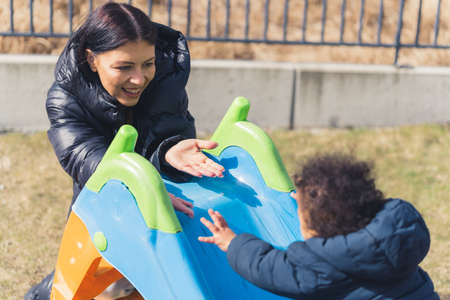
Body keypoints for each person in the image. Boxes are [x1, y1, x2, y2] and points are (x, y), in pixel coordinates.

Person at [25, 2, 224, 300]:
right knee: (105, 282)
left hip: (165, 203)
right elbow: (86, 159)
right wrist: (138, 191)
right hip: (104, 204)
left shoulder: (165, 82)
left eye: (148, 63)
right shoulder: (65, 98)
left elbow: (169, 137)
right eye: (124, 67)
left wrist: (170, 152)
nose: (139, 79)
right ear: (92, 60)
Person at [199, 153, 439, 299]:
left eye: (302, 212)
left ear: (315, 229)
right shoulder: (396, 234)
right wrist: (310, 202)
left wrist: (233, 242)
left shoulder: (325, 264)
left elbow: (268, 268)